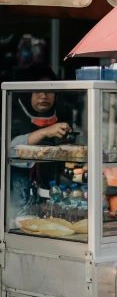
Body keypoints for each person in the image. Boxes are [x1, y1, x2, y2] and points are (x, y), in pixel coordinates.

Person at [10, 64, 71, 211]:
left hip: (50, 199)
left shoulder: (60, 115)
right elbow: (9, 149)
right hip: (15, 203)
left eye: (50, 90)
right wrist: (45, 132)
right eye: (37, 90)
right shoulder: (11, 114)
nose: (44, 95)